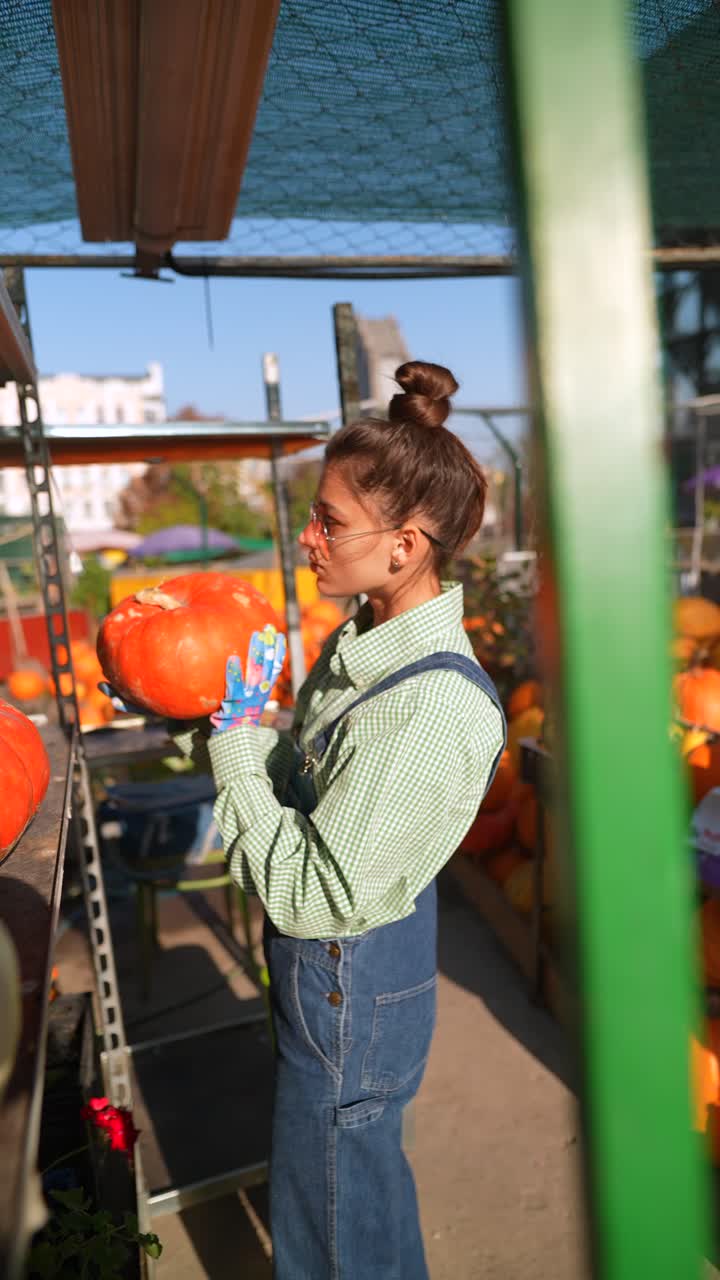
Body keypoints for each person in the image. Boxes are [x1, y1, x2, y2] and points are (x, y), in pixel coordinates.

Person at [107, 360, 506, 1279]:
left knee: (329, 1210)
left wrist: (241, 747)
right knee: (354, 1182)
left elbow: (307, 893)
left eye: (331, 522)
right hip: (339, 969)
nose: (310, 541)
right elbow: (297, 783)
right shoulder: (362, 639)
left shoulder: (433, 709)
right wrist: (201, 717)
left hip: (349, 975)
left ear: (405, 546)